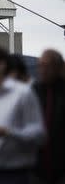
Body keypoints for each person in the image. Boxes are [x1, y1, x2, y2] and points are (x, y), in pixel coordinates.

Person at [0, 47, 45, 184]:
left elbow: (39, 133)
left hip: (16, 174)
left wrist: (9, 133)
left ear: (1, 65)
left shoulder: (23, 93)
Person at [32, 49, 65, 184]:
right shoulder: (35, 90)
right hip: (38, 166)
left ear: (58, 67)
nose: (42, 70)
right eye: (40, 65)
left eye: (47, 66)